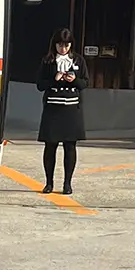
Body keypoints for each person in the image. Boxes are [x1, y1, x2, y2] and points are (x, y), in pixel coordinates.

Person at [36, 27, 88, 195]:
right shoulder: (48, 61)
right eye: (60, 45)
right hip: (53, 108)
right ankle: (49, 183)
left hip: (71, 108)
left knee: (70, 146)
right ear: (55, 44)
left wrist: (75, 80)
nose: (63, 49)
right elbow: (40, 85)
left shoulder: (79, 60)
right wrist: (54, 79)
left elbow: (85, 83)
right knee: (50, 146)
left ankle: (67, 184)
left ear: (71, 45)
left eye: (66, 45)